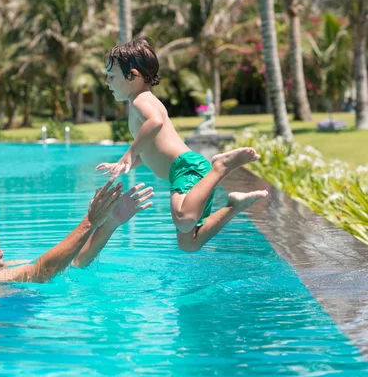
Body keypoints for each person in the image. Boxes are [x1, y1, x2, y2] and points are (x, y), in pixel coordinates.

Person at [96, 39, 268, 252]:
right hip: (185, 171)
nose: (107, 81)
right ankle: (235, 206)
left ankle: (220, 167)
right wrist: (127, 164)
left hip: (186, 168)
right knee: (189, 243)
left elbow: (156, 123)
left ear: (133, 75)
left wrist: (128, 155)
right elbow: (150, 149)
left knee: (182, 218)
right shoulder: (139, 102)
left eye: (112, 76)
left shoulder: (141, 101)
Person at [0, 179, 154, 283]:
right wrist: (90, 221)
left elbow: (72, 262)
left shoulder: (7, 268)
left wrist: (109, 224)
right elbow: (41, 272)